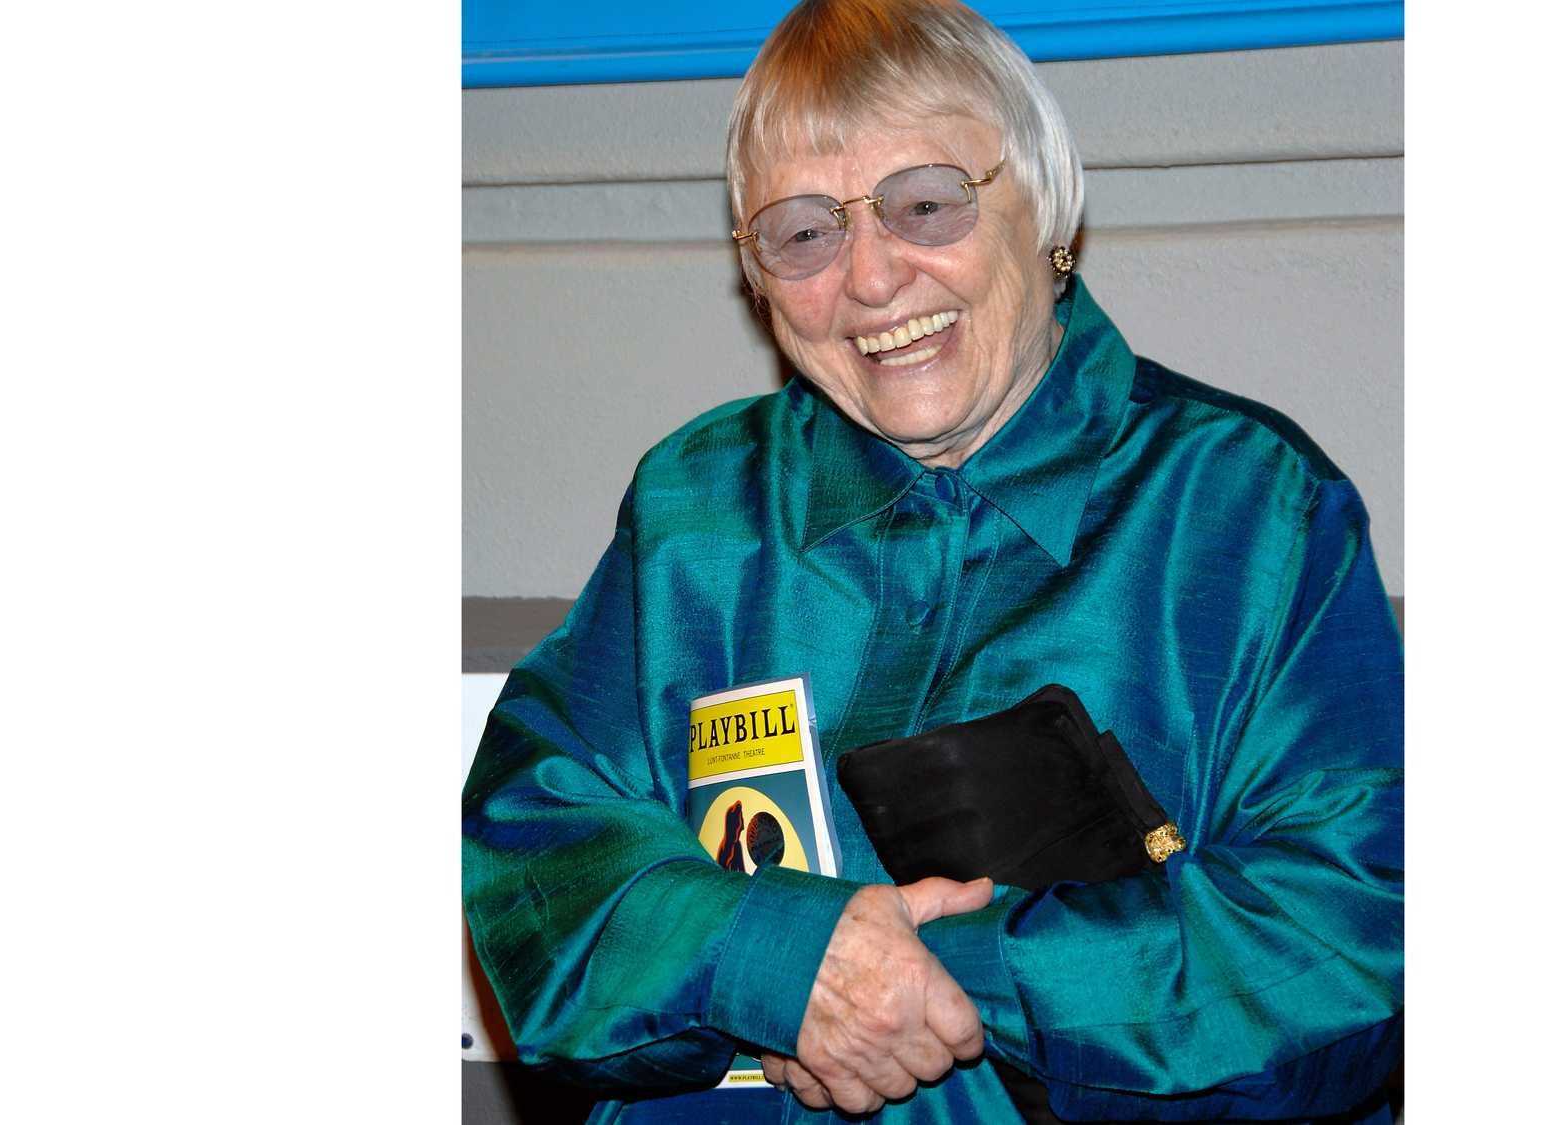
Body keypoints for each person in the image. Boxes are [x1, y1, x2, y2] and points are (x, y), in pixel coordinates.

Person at [461, 1, 1403, 1121]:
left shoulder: (1250, 513)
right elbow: (534, 852)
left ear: (1048, 212)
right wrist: (768, 958)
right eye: (803, 233)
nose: (870, 279)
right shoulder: (696, 511)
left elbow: (1350, 946)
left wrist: (936, 977)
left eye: (924, 205)